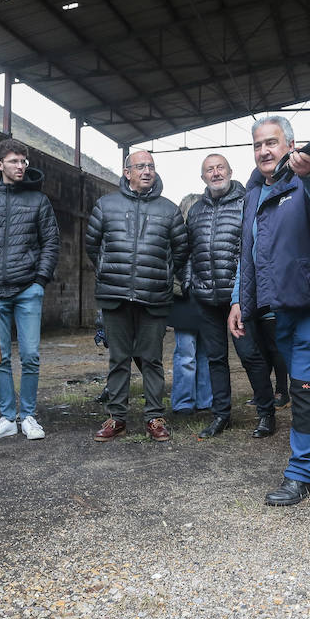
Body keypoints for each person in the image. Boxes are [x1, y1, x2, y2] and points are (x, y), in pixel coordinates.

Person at [229, 116, 310, 506]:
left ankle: (304, 475)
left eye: (272, 142)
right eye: (257, 145)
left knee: (304, 388)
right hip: (279, 308)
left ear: (290, 144)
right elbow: (249, 254)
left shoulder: (308, 179)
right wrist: (237, 298)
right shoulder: (253, 195)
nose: (264, 151)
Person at [85, 150, 189, 443]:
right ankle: (116, 418)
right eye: (140, 166)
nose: (147, 171)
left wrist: (164, 274)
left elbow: (180, 251)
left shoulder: (169, 210)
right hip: (115, 295)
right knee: (118, 358)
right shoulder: (106, 205)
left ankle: (154, 417)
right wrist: (109, 270)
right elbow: (92, 245)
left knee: (151, 359)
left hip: (154, 296)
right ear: (127, 171)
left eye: (151, 166)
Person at [0, 138, 58, 442]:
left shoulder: (39, 202)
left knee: (30, 355)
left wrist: (40, 280)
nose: (20, 166)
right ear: (0, 165)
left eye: (23, 161)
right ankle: (5, 417)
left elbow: (51, 242)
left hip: (28, 289)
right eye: (14, 161)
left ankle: (27, 415)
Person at [182, 154, 247, 438]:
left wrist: (245, 291)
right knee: (215, 358)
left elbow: (252, 249)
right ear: (203, 177)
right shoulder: (195, 211)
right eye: (210, 169)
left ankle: (266, 412)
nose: (216, 173)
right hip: (205, 297)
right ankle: (221, 415)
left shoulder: (247, 203)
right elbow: (187, 251)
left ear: (231, 171)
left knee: (251, 355)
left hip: (238, 298)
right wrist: (188, 282)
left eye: (220, 167)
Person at [169, 192, 212, 419]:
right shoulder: (177, 237)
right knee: (187, 353)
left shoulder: (208, 235)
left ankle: (203, 400)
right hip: (185, 299)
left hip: (205, 299)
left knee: (203, 353)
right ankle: (185, 402)